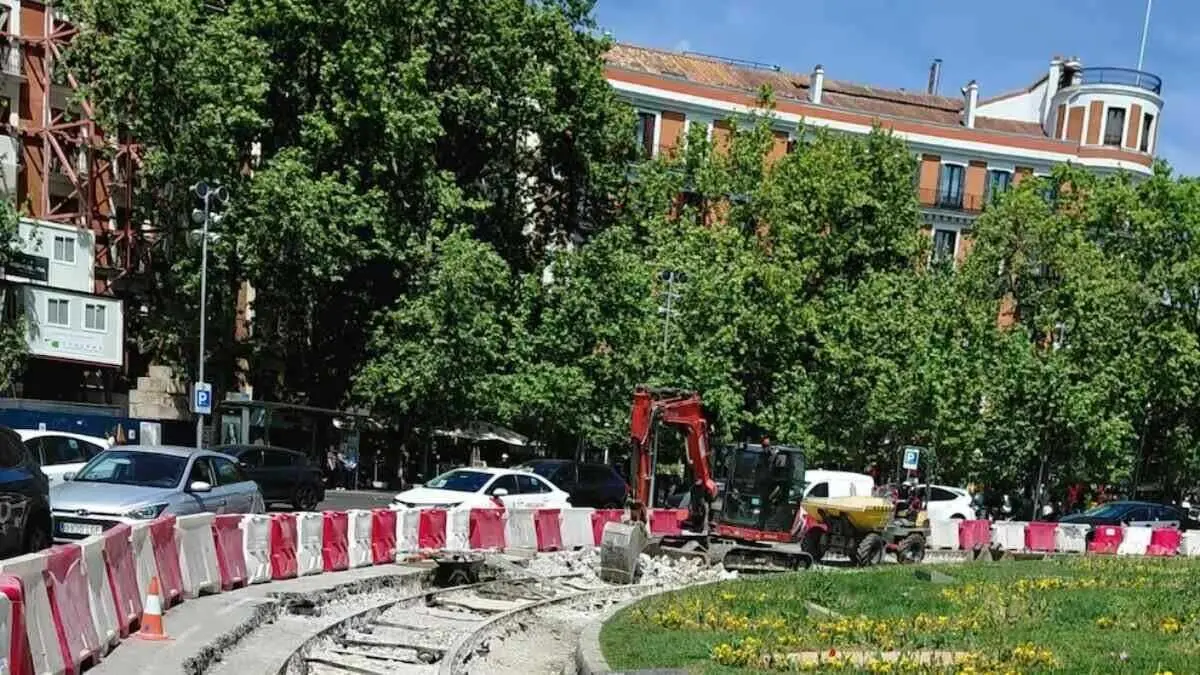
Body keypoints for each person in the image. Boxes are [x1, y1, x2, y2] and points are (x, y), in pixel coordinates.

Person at [756, 436, 789, 530]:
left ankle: (767, 524)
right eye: (764, 446)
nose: (766, 448)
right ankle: (761, 523)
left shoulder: (777, 455)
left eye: (768, 446)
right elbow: (759, 469)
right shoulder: (762, 456)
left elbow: (780, 472)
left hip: (774, 485)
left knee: (770, 504)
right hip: (763, 484)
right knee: (763, 503)